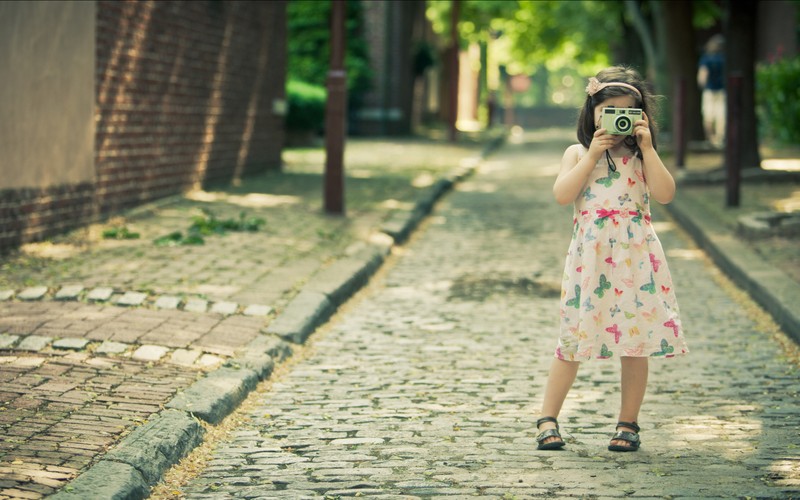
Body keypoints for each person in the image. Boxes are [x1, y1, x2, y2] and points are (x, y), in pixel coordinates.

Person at [536, 66, 689, 453]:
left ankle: (628, 423)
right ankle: (547, 417)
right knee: (572, 339)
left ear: (641, 116)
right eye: (609, 111)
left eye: (628, 111)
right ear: (592, 114)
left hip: (635, 259)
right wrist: (592, 154)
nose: (619, 119)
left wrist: (649, 149)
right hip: (591, 261)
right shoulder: (577, 153)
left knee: (634, 342)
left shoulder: (642, 156)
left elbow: (666, 194)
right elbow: (561, 195)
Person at [697, 35, 726, 148]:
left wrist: (701, 84)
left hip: (709, 90)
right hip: (722, 90)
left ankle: (710, 138)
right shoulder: (724, 58)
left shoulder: (706, 58)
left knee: (708, 115)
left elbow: (703, 75)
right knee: (721, 116)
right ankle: (719, 139)